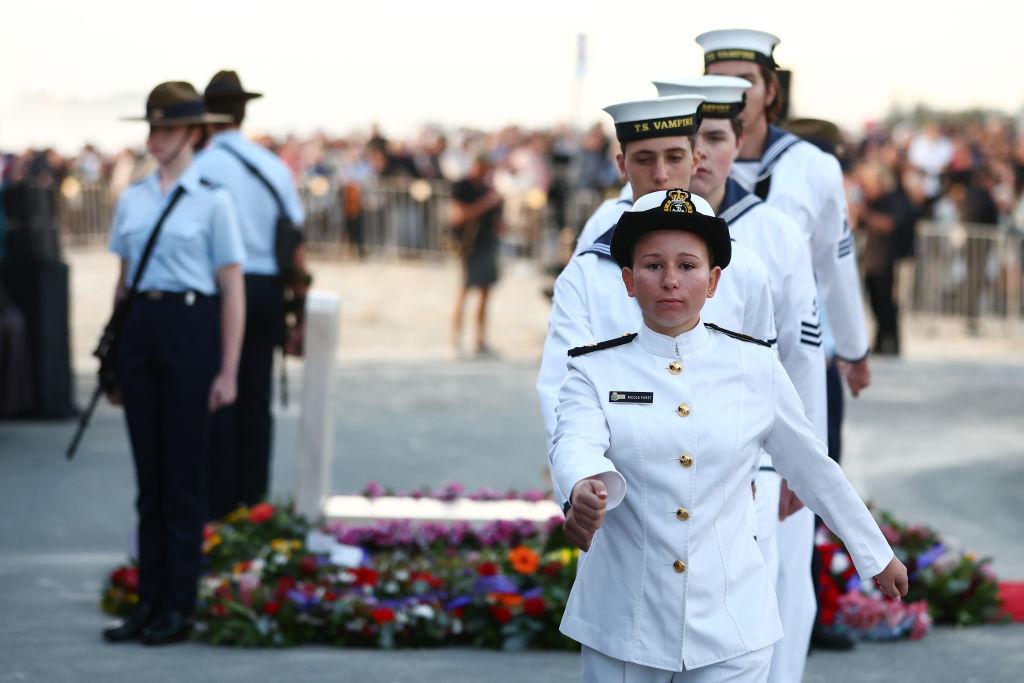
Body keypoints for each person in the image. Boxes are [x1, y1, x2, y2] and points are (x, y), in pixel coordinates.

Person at [551, 188, 908, 682]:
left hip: (731, 622)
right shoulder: (595, 369)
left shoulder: (755, 366)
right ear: (629, 282)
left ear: (714, 280)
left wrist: (874, 551)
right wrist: (583, 486)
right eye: (652, 266)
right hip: (623, 625)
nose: (671, 281)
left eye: (688, 265)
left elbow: (811, 467)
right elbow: (573, 440)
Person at [698, 29, 872, 679]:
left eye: (744, 80)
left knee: (787, 546)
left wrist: (853, 348)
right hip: (702, 382)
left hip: (794, 369)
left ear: (771, 89)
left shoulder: (811, 166)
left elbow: (836, 263)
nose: (732, 94)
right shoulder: (684, 160)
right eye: (717, 79)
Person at [538, 95, 776, 507]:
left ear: (696, 159)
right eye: (645, 159)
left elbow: (766, 381)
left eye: (674, 156)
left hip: (725, 495)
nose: (661, 173)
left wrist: (762, 471)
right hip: (623, 493)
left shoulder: (744, 266)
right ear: (621, 165)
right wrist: (583, 480)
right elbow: (561, 385)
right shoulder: (588, 273)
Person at [653, 75, 825, 602]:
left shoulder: (773, 234)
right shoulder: (615, 228)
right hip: (649, 458)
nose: (700, 157)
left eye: (717, 139)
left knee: (756, 608)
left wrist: (804, 462)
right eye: (690, 142)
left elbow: (800, 356)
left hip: (751, 462)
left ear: (740, 143)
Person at [102, 82, 245, 644]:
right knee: (149, 480)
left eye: (166, 129)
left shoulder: (214, 200)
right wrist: (114, 358)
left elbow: (230, 287)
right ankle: (148, 602)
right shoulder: (133, 198)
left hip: (190, 329)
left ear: (192, 133)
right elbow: (122, 283)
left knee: (183, 477)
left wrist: (228, 369)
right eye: (152, 128)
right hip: (141, 332)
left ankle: (177, 607)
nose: (155, 138)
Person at [193, 70, 305, 519]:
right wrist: (299, 312)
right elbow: (295, 242)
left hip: (219, 289)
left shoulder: (201, 165)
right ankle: (252, 504)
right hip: (266, 289)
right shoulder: (272, 166)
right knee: (256, 400)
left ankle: (218, 508)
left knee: (218, 393)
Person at [450, 153, 503, 356]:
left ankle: (480, 340)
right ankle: (456, 338)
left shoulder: (488, 189)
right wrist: (486, 204)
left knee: (485, 294)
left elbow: (497, 224)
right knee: (463, 292)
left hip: (486, 245)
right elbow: (458, 217)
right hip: (469, 247)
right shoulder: (463, 186)